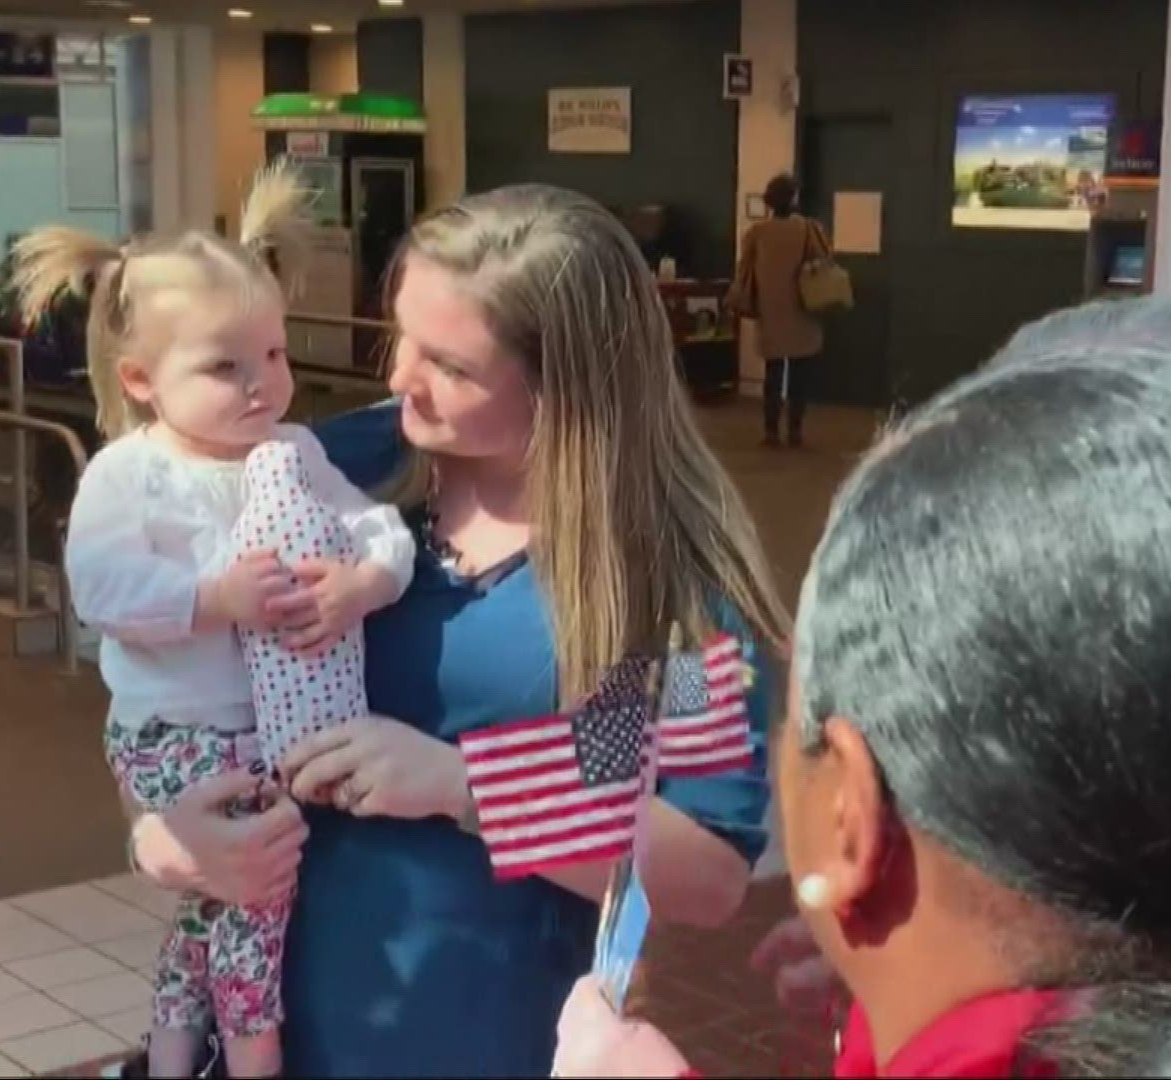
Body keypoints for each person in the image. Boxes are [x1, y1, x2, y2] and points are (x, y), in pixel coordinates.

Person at [552, 296, 1171, 1077]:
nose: (407, 383)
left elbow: (709, 840)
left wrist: (461, 787)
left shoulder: (685, 580)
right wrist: (936, 951)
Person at [124, 183, 788, 1078]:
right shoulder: (335, 467)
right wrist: (160, 833)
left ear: (569, 385)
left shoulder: (666, 590)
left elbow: (702, 871)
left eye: (450, 364)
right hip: (271, 1040)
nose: (399, 378)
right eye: (401, 335)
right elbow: (163, 677)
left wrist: (465, 786)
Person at [42, 162, 417, 1079]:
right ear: (138, 378)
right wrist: (219, 599)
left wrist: (363, 583)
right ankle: (255, 1063)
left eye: (277, 356)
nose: (262, 386)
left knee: (213, 911)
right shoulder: (130, 474)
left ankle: (171, 1059)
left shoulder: (290, 450)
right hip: (174, 735)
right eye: (224, 367)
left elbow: (380, 525)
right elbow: (101, 589)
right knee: (257, 898)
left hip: (257, 732)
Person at [728, 174, 828, 448]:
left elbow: (744, 270)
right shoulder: (810, 229)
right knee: (800, 375)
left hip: (769, 310)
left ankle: (771, 431)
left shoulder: (757, 233)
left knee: (773, 374)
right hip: (803, 308)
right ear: (794, 198)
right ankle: (795, 431)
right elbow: (823, 263)